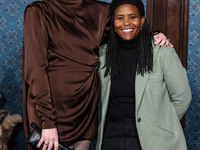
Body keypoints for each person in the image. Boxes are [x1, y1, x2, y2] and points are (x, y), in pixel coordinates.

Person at [22, 0, 171, 150]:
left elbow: (126, 29)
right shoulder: (39, 11)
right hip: (50, 109)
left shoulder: (101, 11)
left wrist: (153, 34)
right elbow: (35, 69)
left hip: (85, 104)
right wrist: (47, 121)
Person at [96, 0, 191, 150]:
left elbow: (182, 96)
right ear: (113, 23)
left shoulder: (161, 52)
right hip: (111, 134)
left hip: (151, 137)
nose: (126, 23)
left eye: (132, 17)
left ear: (141, 21)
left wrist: (160, 124)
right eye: (120, 18)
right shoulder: (102, 54)